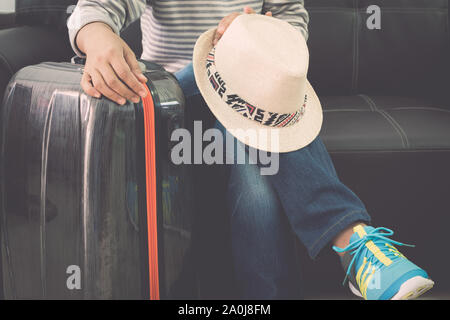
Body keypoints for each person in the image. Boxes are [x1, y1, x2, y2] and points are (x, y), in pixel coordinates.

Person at [67, 0, 434, 300]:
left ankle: (347, 248)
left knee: (255, 178)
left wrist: (257, 32)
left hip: (248, 109)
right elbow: (94, 9)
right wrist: (99, 37)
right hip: (178, 100)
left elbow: (292, 22)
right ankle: (352, 240)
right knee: (238, 64)